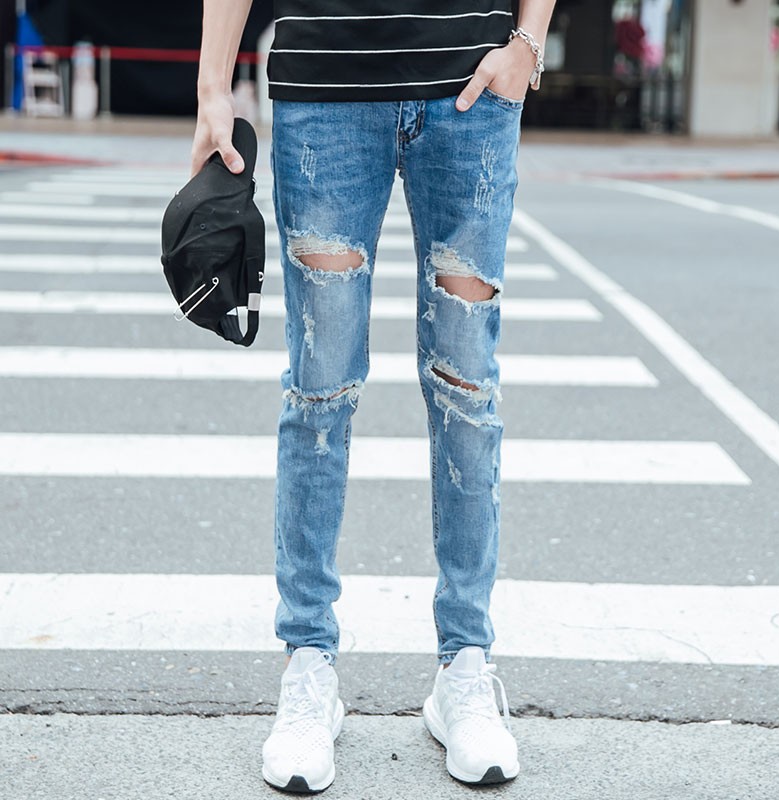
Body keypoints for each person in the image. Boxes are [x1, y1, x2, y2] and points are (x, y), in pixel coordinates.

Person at [191, 1, 556, 792]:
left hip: (470, 88)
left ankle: (465, 663)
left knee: (466, 388)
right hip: (325, 88)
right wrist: (212, 86)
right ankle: (308, 664)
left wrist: (529, 43)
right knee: (319, 389)